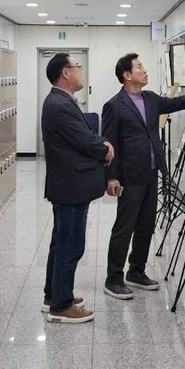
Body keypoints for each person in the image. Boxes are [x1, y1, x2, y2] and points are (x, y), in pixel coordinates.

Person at [101, 53, 185, 298]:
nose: (145, 70)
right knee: (124, 226)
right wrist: (111, 177)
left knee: (146, 225)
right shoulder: (114, 105)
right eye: (139, 67)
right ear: (127, 75)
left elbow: (177, 103)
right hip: (129, 175)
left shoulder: (151, 98)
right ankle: (113, 278)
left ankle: (136, 271)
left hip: (151, 172)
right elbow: (109, 143)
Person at [41, 52, 114, 323]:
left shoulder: (60, 101)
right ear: (66, 73)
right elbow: (83, 139)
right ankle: (61, 306)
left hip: (67, 184)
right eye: (77, 67)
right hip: (70, 186)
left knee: (60, 242)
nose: (80, 71)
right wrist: (105, 147)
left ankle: (54, 295)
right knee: (70, 246)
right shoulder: (59, 104)